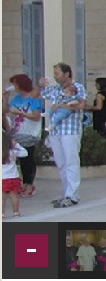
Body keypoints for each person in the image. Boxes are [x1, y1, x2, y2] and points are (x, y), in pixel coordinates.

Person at [39, 62, 86, 208]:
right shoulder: (55, 89)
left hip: (70, 130)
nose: (55, 76)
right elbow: (41, 93)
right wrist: (40, 85)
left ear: (67, 74)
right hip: (56, 131)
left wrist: (60, 106)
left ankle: (72, 195)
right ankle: (66, 193)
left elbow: (81, 105)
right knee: (61, 163)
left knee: (71, 161)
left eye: (57, 73)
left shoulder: (77, 87)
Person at [6, 73, 43, 198]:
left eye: (15, 84)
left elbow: (36, 116)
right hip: (17, 132)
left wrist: (20, 112)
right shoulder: (16, 98)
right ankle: (23, 183)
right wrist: (5, 96)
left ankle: (29, 185)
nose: (14, 86)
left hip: (29, 133)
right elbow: (6, 109)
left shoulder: (33, 99)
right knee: (20, 159)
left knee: (27, 159)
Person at [2, 131, 28, 218]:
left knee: (2, 196)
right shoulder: (13, 152)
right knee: (14, 195)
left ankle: (1, 213)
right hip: (13, 177)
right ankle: (16, 212)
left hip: (2, 178)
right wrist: (16, 145)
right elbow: (25, 153)